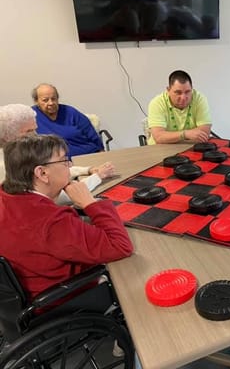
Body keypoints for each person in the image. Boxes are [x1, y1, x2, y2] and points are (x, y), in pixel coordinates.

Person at [0, 134, 133, 298]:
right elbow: (120, 246)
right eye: (64, 161)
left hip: (27, 288)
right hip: (62, 299)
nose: (69, 166)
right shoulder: (50, 220)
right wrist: (90, 203)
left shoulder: (6, 194)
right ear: (42, 173)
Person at [0, 104, 115, 206]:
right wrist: (97, 177)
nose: (36, 135)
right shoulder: (8, 167)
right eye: (29, 131)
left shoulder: (18, 153)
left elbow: (53, 169)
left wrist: (87, 170)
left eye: (35, 129)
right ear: (7, 136)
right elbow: (59, 197)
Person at [31, 83, 105, 156]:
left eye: (54, 99)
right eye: (45, 100)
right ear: (36, 101)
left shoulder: (70, 112)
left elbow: (92, 135)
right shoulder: (31, 116)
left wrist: (101, 153)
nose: (51, 103)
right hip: (58, 162)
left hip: (88, 154)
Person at [147, 70, 212, 144]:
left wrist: (170, 137)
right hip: (160, 149)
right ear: (168, 90)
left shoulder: (200, 99)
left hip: (190, 148)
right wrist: (185, 134)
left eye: (187, 92)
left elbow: (204, 132)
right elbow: (159, 137)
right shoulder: (157, 103)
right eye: (178, 92)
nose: (183, 98)